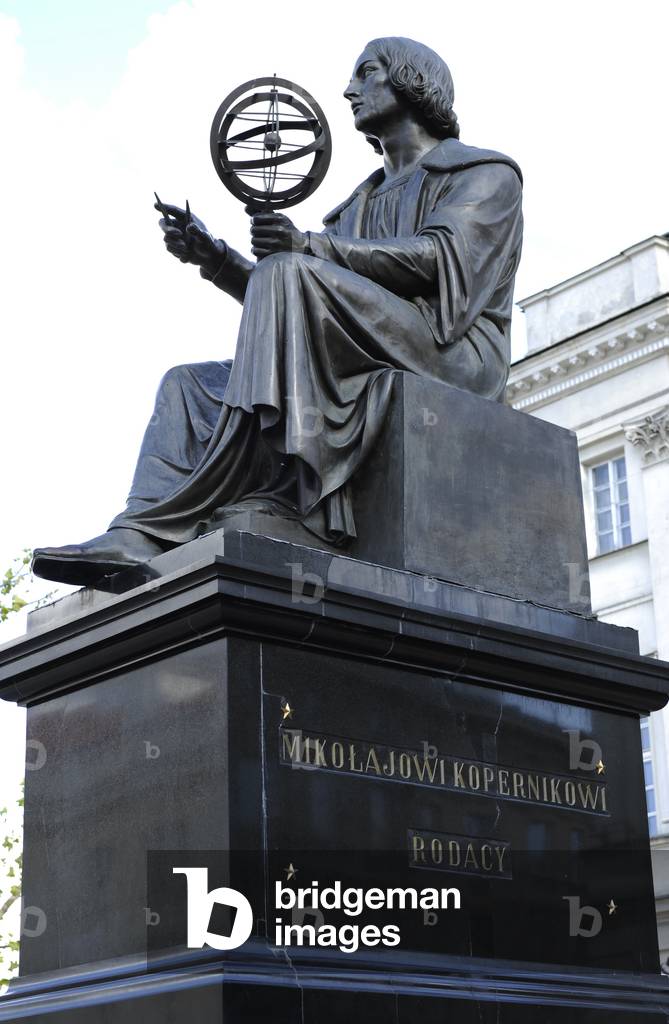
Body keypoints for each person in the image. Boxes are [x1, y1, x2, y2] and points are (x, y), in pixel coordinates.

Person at [33, 36, 523, 586]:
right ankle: (137, 531)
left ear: (411, 79)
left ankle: (281, 500)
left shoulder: (484, 174)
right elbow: (292, 305)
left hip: (448, 350)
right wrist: (218, 260)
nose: (348, 89)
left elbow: (438, 260)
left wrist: (309, 247)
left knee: (287, 271)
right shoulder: (356, 206)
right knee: (187, 387)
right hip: (367, 350)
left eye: (366, 73)